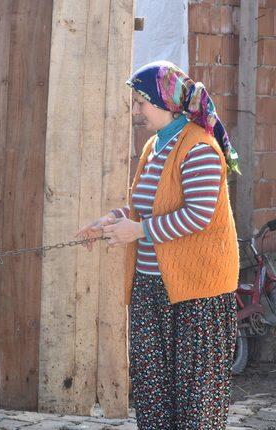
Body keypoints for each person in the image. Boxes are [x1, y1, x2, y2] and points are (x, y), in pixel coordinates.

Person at [77, 60, 240, 430]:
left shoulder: (199, 147)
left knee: (194, 402)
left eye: (141, 103)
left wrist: (138, 231)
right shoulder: (155, 146)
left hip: (197, 294)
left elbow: (198, 215)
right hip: (152, 288)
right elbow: (146, 207)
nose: (136, 111)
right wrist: (111, 221)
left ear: (166, 102)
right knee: (153, 394)